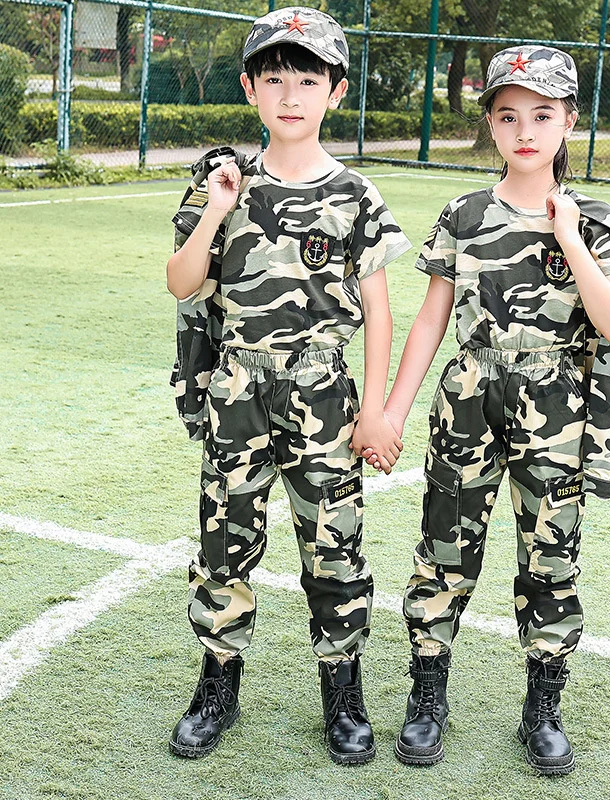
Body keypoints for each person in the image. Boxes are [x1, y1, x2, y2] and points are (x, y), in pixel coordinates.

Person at [365, 46, 610, 774]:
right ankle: (428, 696)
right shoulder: (463, 214)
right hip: (468, 395)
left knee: (550, 557)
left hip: (557, 403)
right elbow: (432, 319)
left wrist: (567, 236)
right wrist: (394, 412)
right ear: (491, 126)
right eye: (508, 116)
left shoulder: (595, 219)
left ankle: (542, 707)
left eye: (543, 115)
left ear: (569, 123)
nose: (525, 130)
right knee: (444, 551)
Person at [165, 6, 411, 764]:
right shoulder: (223, 180)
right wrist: (218, 207)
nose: (291, 94)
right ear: (250, 89)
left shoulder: (354, 196)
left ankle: (344, 693)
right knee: (225, 541)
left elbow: (377, 309)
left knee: (333, 546)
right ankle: (217, 684)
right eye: (274, 79)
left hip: (321, 393)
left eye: (308, 79)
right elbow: (181, 284)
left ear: (335, 92)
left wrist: (375, 411)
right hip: (237, 387)